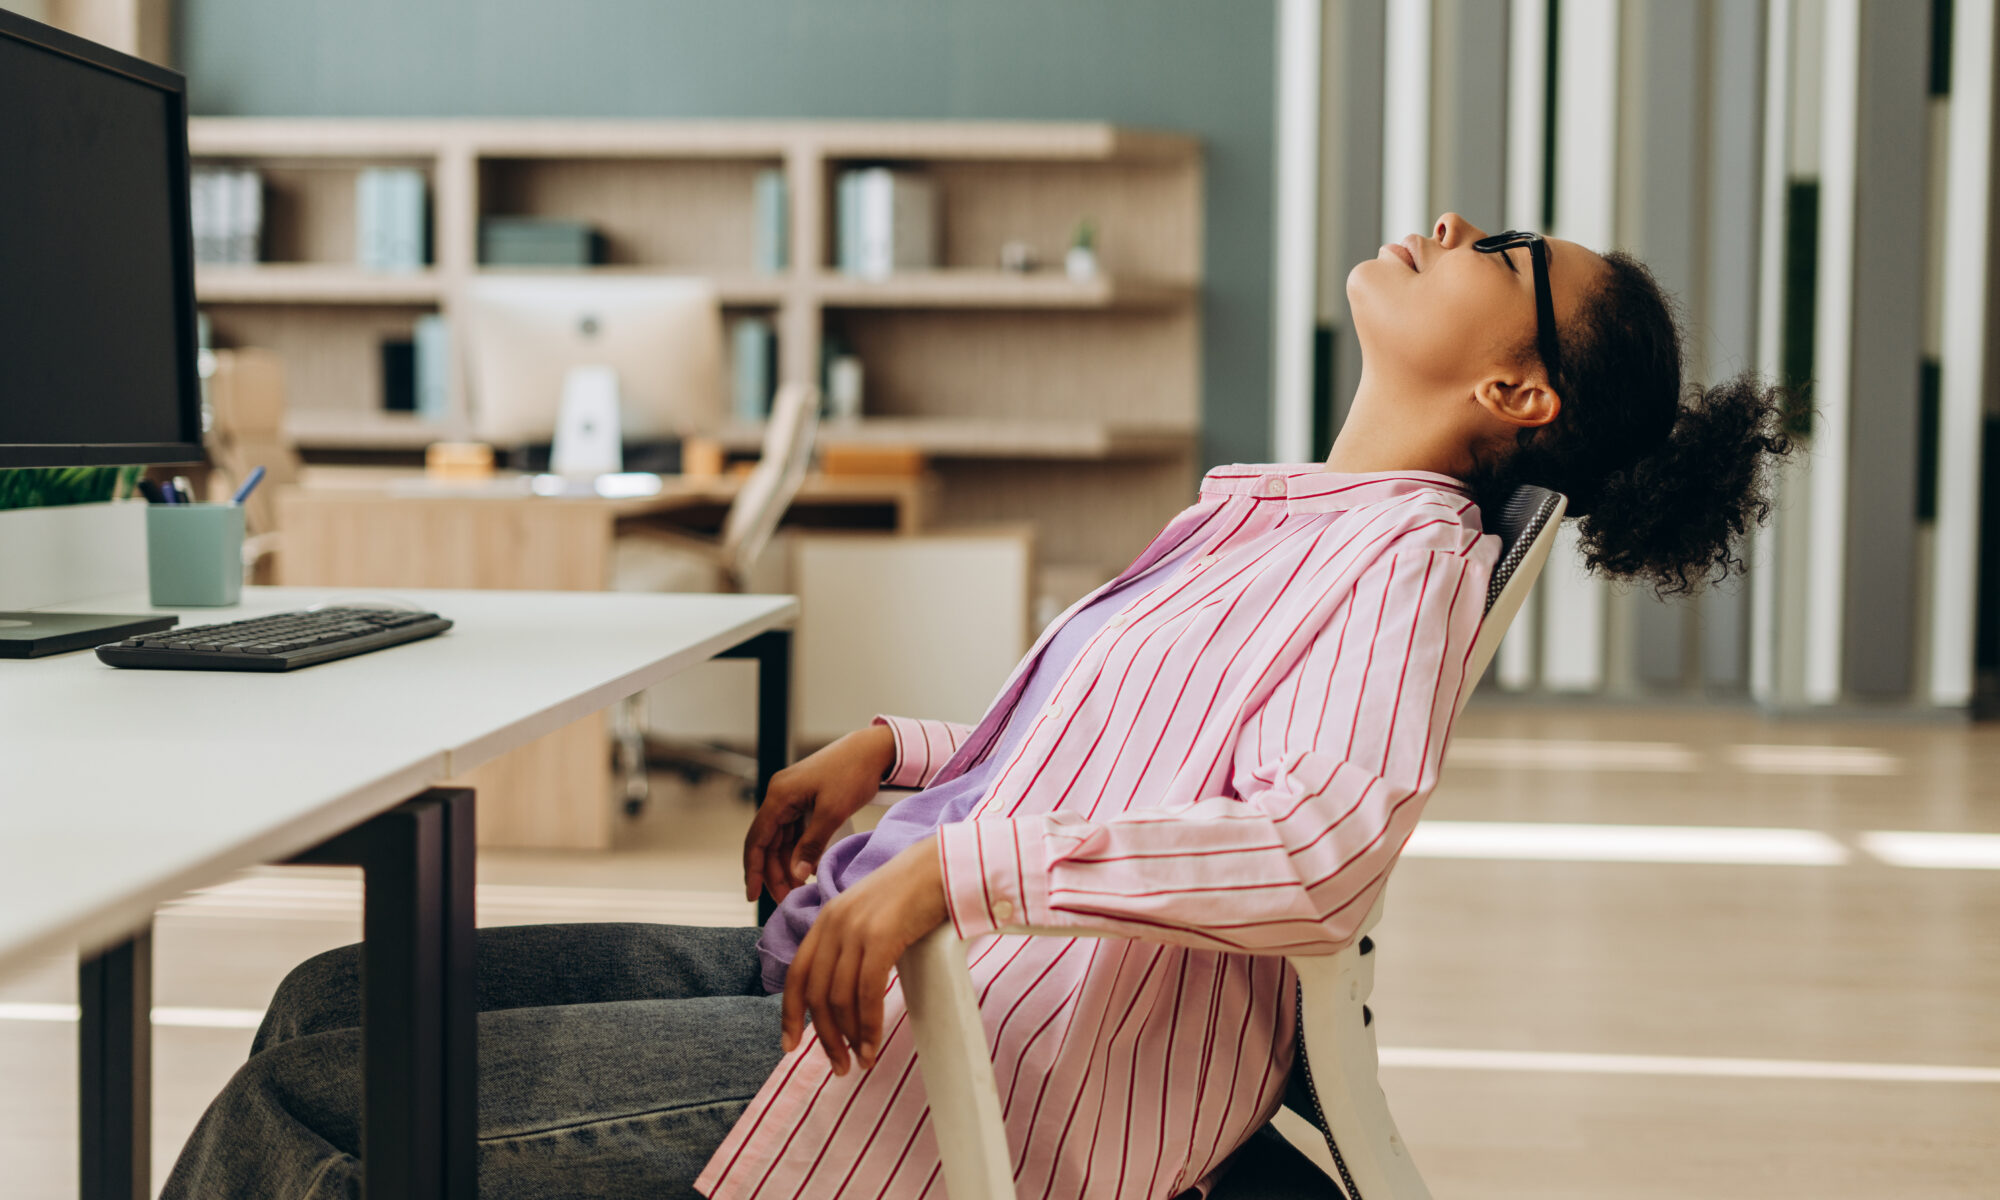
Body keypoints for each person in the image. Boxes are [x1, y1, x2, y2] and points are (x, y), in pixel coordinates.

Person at [162, 214, 1792, 1200]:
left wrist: (959, 867)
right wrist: (903, 755)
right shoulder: (1296, 519)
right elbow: (1130, 743)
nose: (1450, 224)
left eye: (1501, 253)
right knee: (329, 999)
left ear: (1518, 393)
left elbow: (1315, 843)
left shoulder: (1400, 563)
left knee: (340, 1094)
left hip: (977, 1060)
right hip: (917, 970)